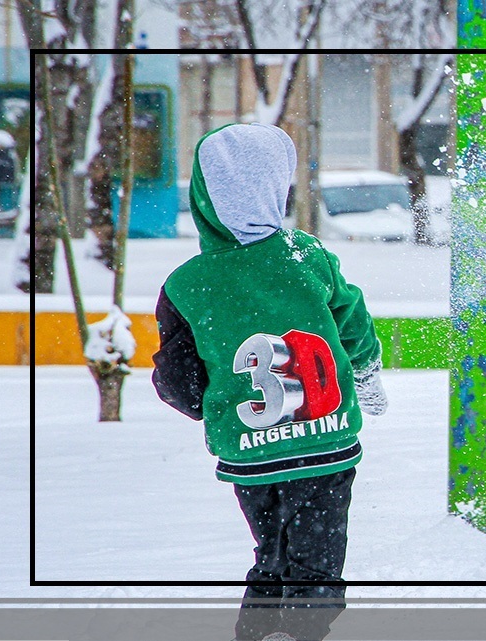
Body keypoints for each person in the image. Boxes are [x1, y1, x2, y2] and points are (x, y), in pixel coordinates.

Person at [152, 123, 387, 639]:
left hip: (250, 451)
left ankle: (258, 631)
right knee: (316, 562)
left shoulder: (187, 285)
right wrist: (366, 374)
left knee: (270, 552)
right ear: (279, 186)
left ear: (204, 197)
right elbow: (354, 323)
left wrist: (212, 404)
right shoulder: (308, 257)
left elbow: (178, 380)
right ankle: (307, 630)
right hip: (324, 444)